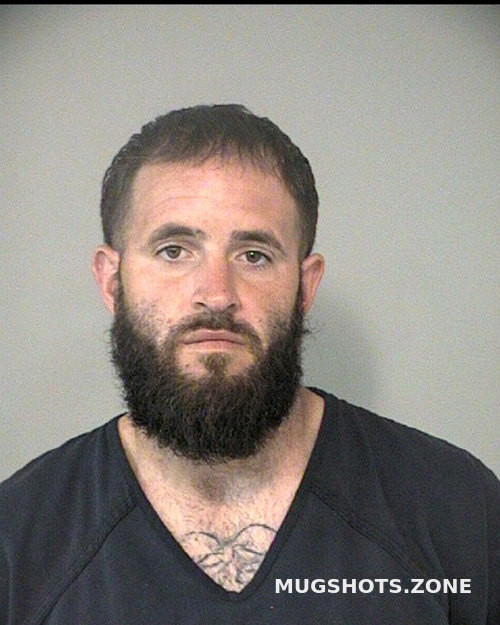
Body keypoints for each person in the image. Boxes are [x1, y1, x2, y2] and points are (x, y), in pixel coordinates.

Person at [1, 104, 498, 625]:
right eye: (174, 251)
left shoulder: (455, 508)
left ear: (305, 285)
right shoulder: (19, 539)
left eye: (253, 255)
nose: (216, 294)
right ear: (111, 281)